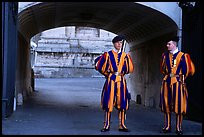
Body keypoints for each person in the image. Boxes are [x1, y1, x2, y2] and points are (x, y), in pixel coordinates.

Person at [95, 35, 134, 132]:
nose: (119, 44)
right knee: (108, 102)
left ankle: (122, 124)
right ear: (114, 44)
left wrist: (123, 73)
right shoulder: (108, 54)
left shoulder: (125, 56)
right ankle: (106, 125)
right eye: (117, 43)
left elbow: (130, 68)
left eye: (121, 43)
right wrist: (107, 74)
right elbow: (100, 66)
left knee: (122, 102)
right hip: (111, 80)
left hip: (121, 80)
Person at [159, 36, 195, 135]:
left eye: (169, 44)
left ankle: (178, 127)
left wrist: (181, 78)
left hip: (178, 82)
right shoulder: (165, 55)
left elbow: (188, 70)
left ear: (174, 45)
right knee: (166, 104)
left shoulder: (183, 56)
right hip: (167, 82)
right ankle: (167, 126)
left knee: (179, 105)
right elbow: (162, 69)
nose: (167, 46)